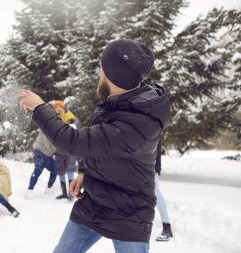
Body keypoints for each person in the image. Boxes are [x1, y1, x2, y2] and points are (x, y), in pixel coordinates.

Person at [17, 39, 171, 253]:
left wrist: (40, 108)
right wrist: (84, 171)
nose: (100, 73)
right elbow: (97, 144)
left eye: (102, 68)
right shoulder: (116, 103)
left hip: (129, 212)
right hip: (94, 203)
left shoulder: (138, 122)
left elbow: (72, 142)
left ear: (112, 75)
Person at [52, 100, 79, 200]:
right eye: (56, 107)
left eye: (60, 106)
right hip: (59, 146)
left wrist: (72, 125)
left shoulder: (68, 114)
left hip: (70, 146)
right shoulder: (54, 118)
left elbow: (77, 121)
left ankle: (71, 193)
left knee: (70, 167)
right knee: (61, 168)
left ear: (63, 107)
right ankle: (64, 193)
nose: (58, 108)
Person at [25, 129, 57, 199]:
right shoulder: (46, 127)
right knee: (38, 170)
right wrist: (54, 150)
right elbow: (46, 142)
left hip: (48, 155)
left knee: (55, 170)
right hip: (39, 152)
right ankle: (30, 190)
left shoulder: (55, 130)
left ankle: (49, 187)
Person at [155, 139, 173, 241]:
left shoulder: (152, 123)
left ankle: (167, 228)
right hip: (144, 164)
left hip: (150, 165)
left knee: (155, 192)